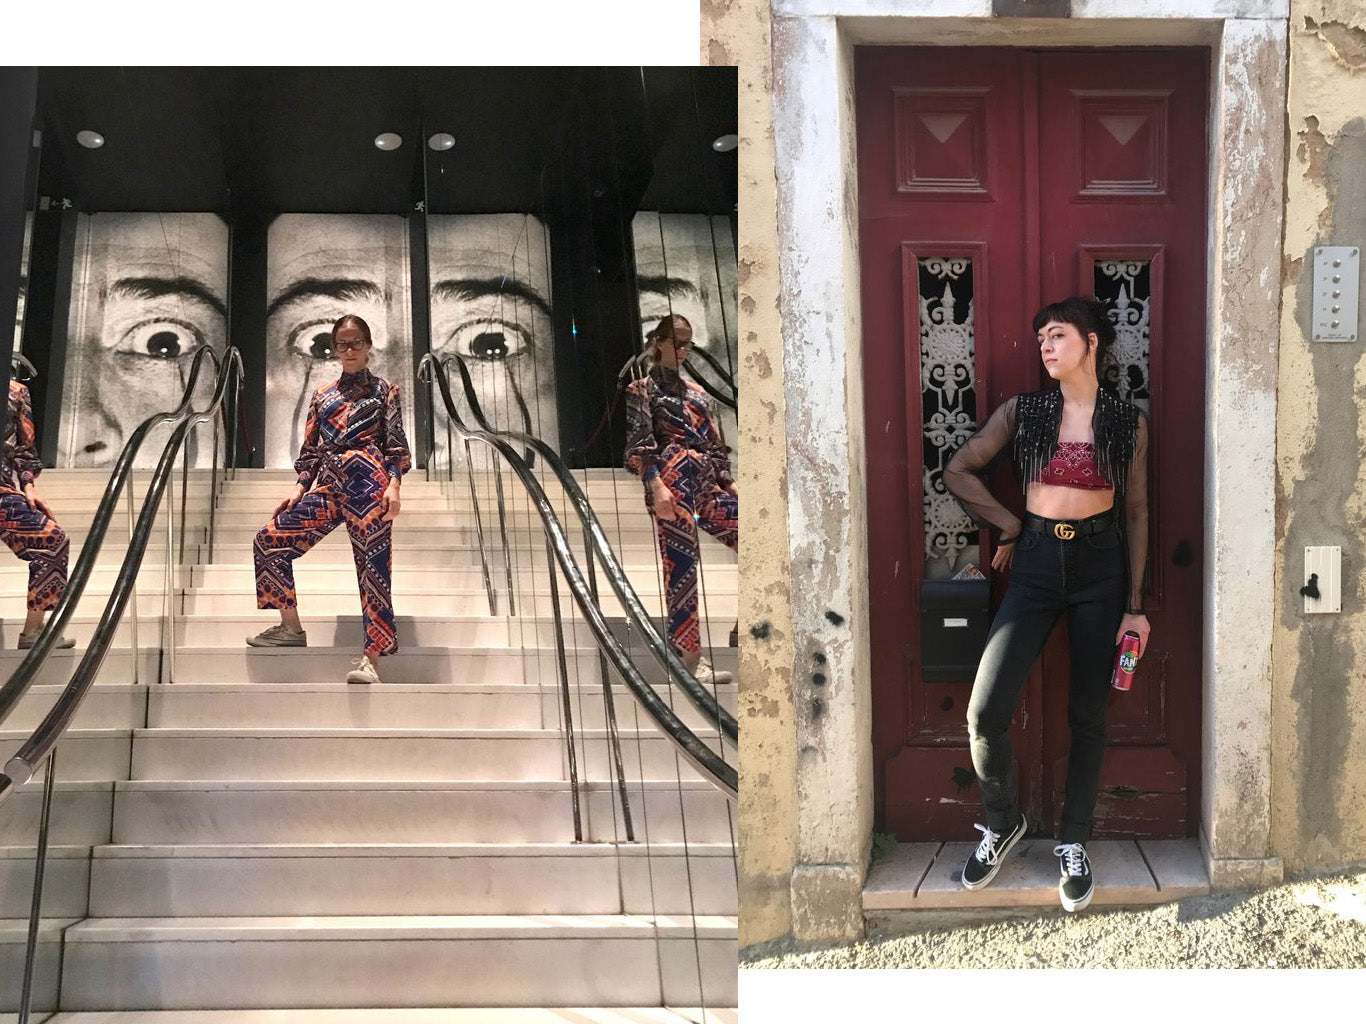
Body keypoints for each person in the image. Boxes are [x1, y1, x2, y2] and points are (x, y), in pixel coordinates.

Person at [943, 296, 1150, 913]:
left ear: (1091, 343)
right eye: (1041, 340)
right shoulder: (1024, 411)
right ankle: (1004, 822)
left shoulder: (1124, 421)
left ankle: (1074, 840)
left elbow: (1136, 511)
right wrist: (1010, 525)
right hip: (1034, 564)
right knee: (985, 711)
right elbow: (959, 470)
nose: (1046, 347)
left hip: (1099, 569)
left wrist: (1135, 604)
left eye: (1057, 336)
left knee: (1087, 714)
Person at [247, 313, 411, 685]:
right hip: (331, 484)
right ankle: (290, 628)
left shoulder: (386, 391)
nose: (349, 350)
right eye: (342, 344)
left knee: (374, 569)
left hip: (370, 483)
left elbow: (396, 447)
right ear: (334, 349)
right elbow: (310, 450)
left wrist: (395, 485)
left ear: (368, 346)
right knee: (270, 540)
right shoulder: (324, 395)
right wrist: (299, 486)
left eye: (356, 343)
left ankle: (372, 657)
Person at [624, 313, 738, 687]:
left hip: (706, 483)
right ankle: (690, 658)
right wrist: (655, 486)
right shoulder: (642, 390)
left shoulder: (698, 394)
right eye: (678, 341)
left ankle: (748, 626)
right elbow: (640, 444)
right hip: (672, 483)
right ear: (658, 343)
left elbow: (715, 445)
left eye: (689, 343)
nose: (684, 350)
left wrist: (728, 481)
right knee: (682, 568)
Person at [3, 376, 75, 649]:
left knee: (52, 539)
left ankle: (33, 631)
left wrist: (28, 485)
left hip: (1, 493)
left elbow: (23, 448)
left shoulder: (16, 392)